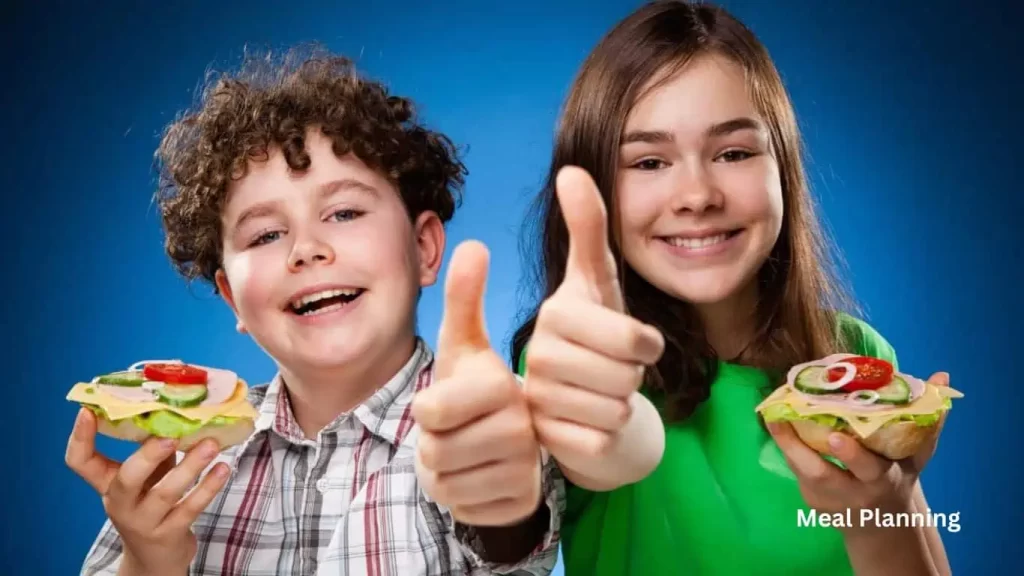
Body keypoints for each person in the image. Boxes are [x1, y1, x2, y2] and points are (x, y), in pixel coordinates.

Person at [64, 45, 569, 576]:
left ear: (423, 248)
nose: (306, 248)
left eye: (344, 211)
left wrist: (502, 495)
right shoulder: (185, 464)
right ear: (233, 297)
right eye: (266, 234)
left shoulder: (483, 418)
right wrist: (147, 559)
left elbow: (510, 532)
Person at [511, 2, 953, 575]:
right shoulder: (584, 365)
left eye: (734, 153)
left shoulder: (854, 356)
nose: (697, 195)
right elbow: (590, 445)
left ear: (782, 171)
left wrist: (879, 509)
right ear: (595, 190)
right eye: (648, 162)